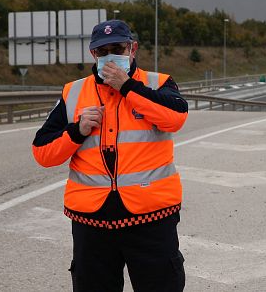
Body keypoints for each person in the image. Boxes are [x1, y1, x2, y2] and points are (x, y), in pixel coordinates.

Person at [32, 19, 188, 292]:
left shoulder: (158, 83)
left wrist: (127, 87)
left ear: (132, 49)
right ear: (93, 54)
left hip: (150, 217)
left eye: (117, 48)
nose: (109, 56)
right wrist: (77, 131)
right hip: (91, 221)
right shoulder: (73, 92)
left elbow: (175, 117)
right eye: (102, 51)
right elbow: (42, 153)